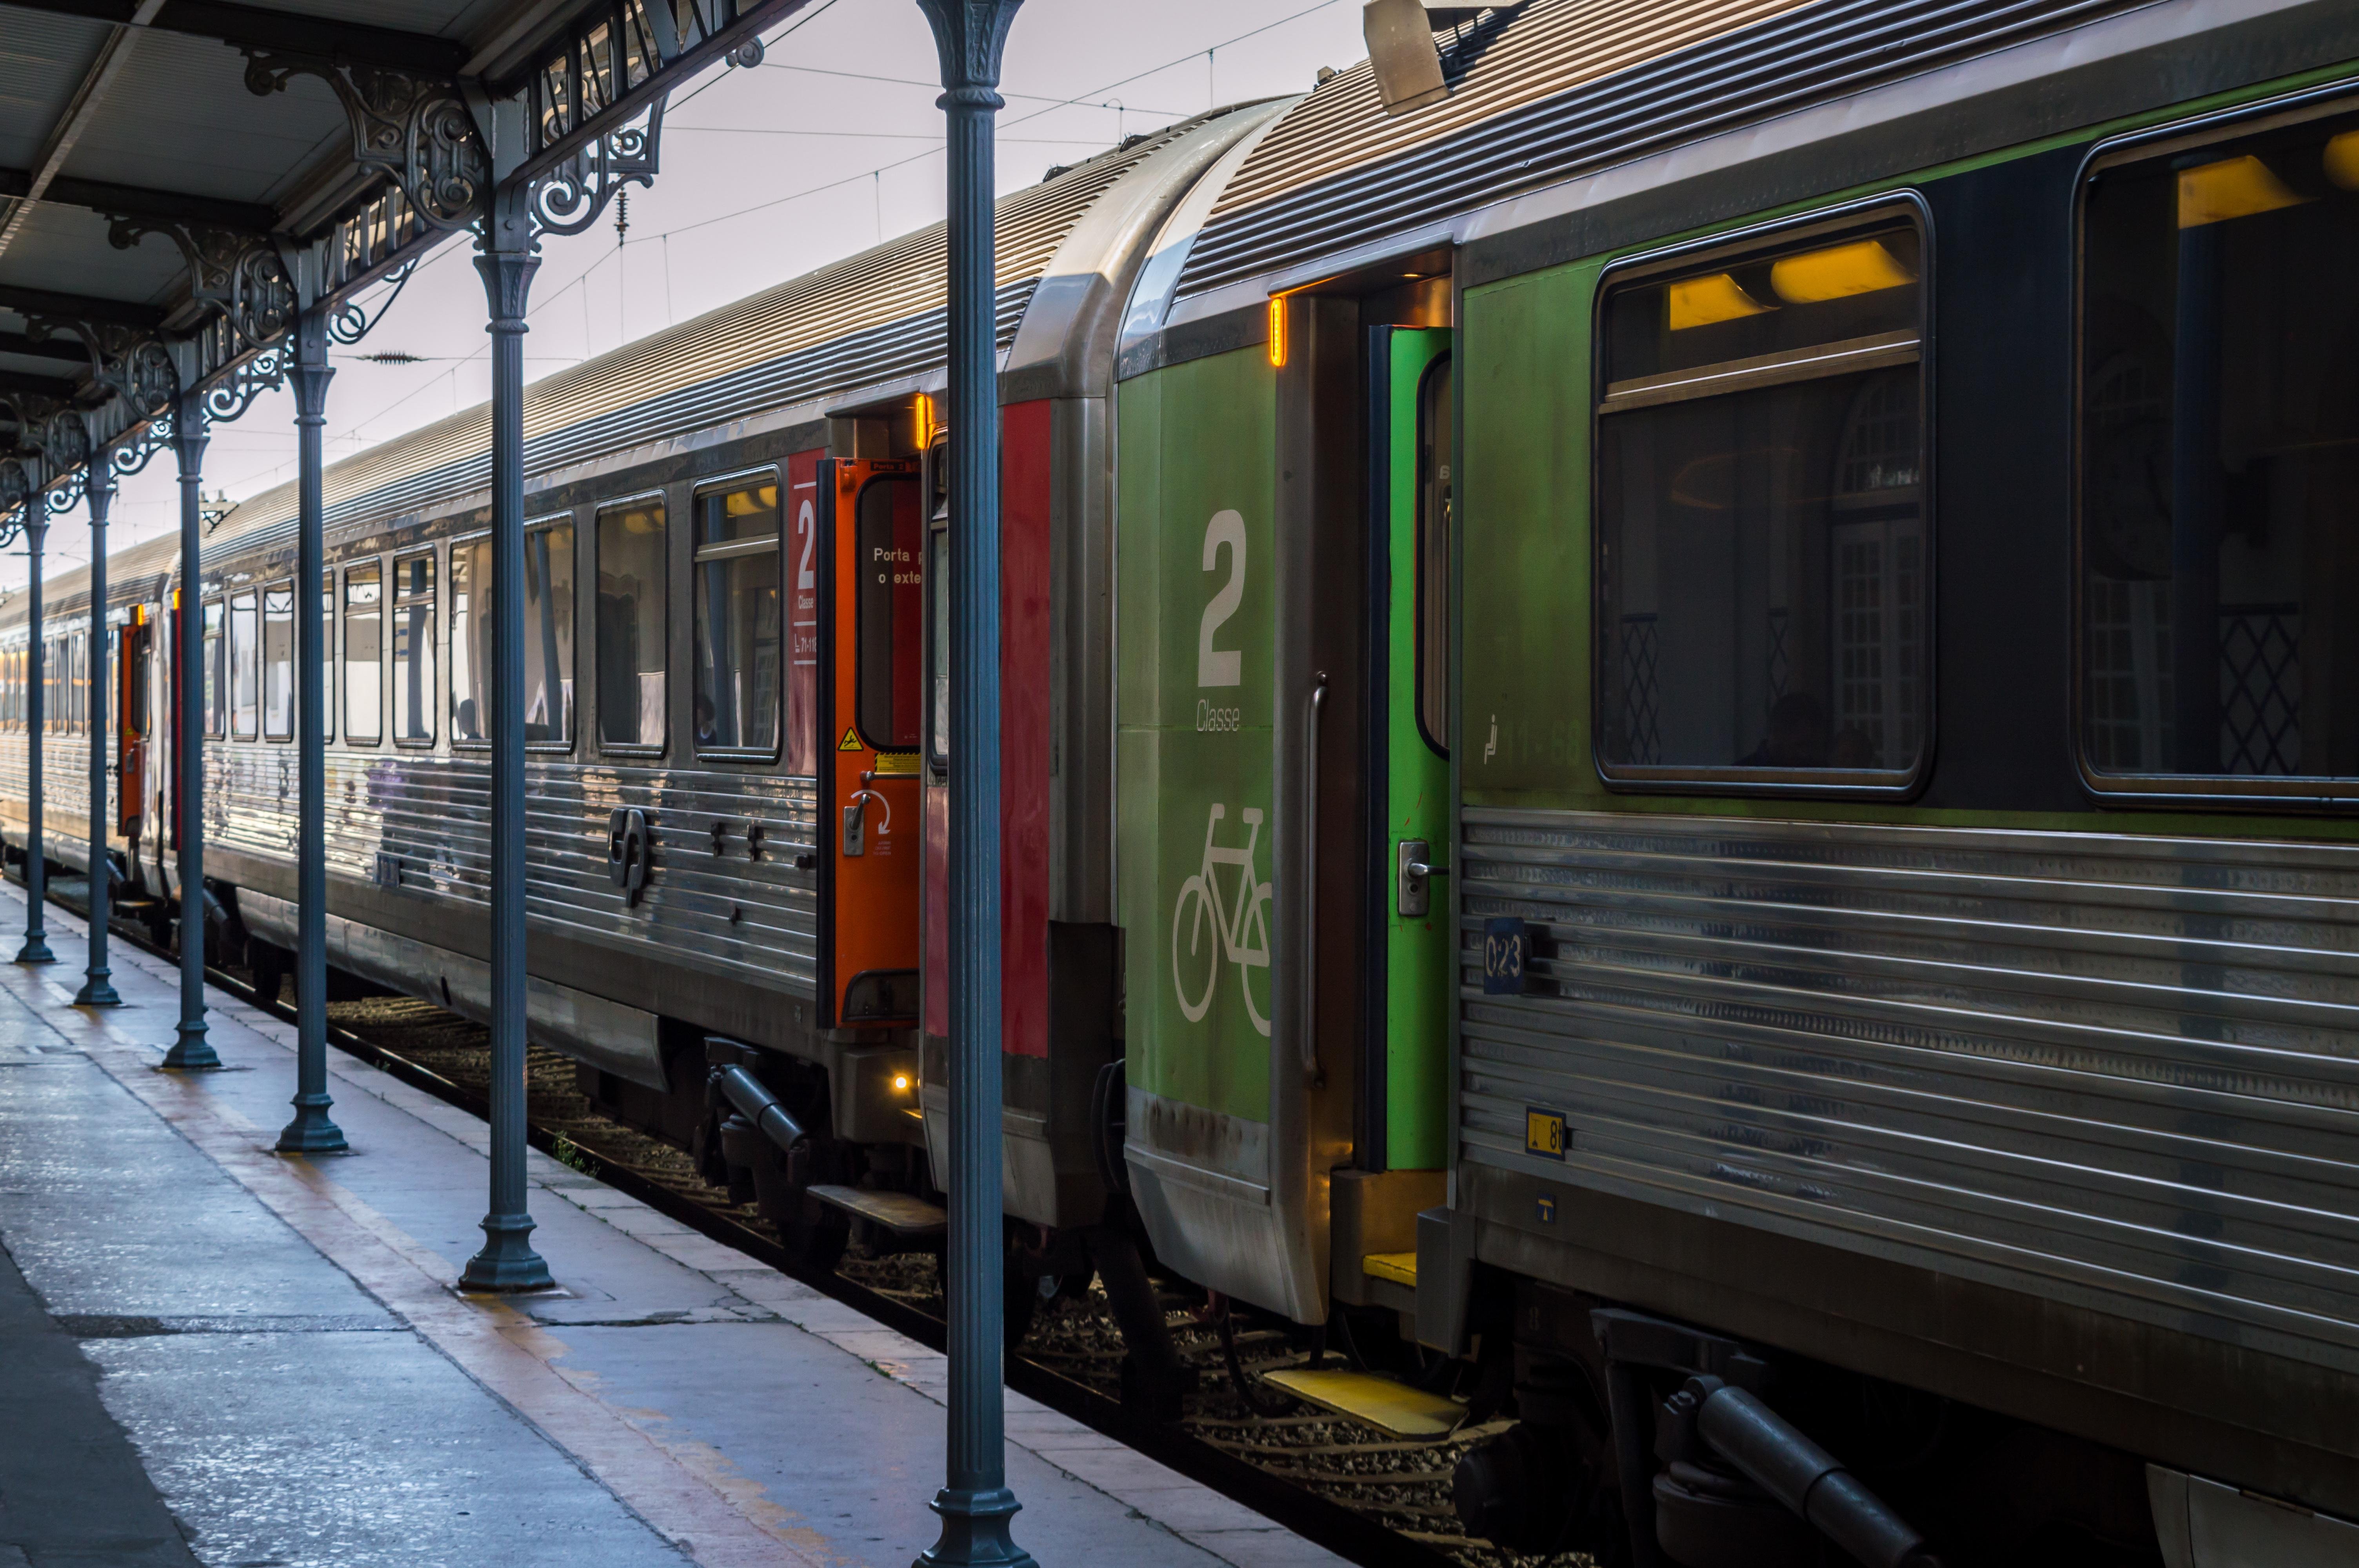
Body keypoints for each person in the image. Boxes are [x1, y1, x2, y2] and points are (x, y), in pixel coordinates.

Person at [1743, 692, 1830, 767]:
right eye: (1799, 746)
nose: (1805, 754)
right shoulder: (1740, 776)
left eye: (1811, 747)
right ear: (1778, 733)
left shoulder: (1820, 772)